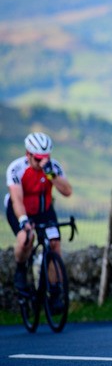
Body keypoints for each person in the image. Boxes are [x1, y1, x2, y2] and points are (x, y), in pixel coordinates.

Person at [5, 132, 72, 311]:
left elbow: (67, 191)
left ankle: (55, 293)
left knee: (55, 244)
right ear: (28, 155)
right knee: (26, 239)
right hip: (20, 209)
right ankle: (20, 270)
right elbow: (17, 200)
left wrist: (52, 175)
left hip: (44, 210)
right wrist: (24, 221)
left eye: (46, 158)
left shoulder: (52, 167)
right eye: (38, 159)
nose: (42, 162)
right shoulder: (16, 169)